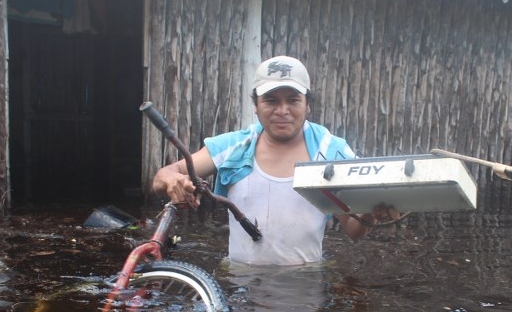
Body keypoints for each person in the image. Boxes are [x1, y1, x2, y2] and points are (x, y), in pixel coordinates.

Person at [152, 55, 395, 266]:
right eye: (271, 100)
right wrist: (174, 179)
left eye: (292, 100)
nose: (282, 110)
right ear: (255, 105)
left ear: (307, 104)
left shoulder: (330, 151)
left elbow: (353, 230)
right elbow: (162, 177)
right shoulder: (234, 147)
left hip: (304, 283)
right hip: (241, 280)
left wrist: (371, 214)